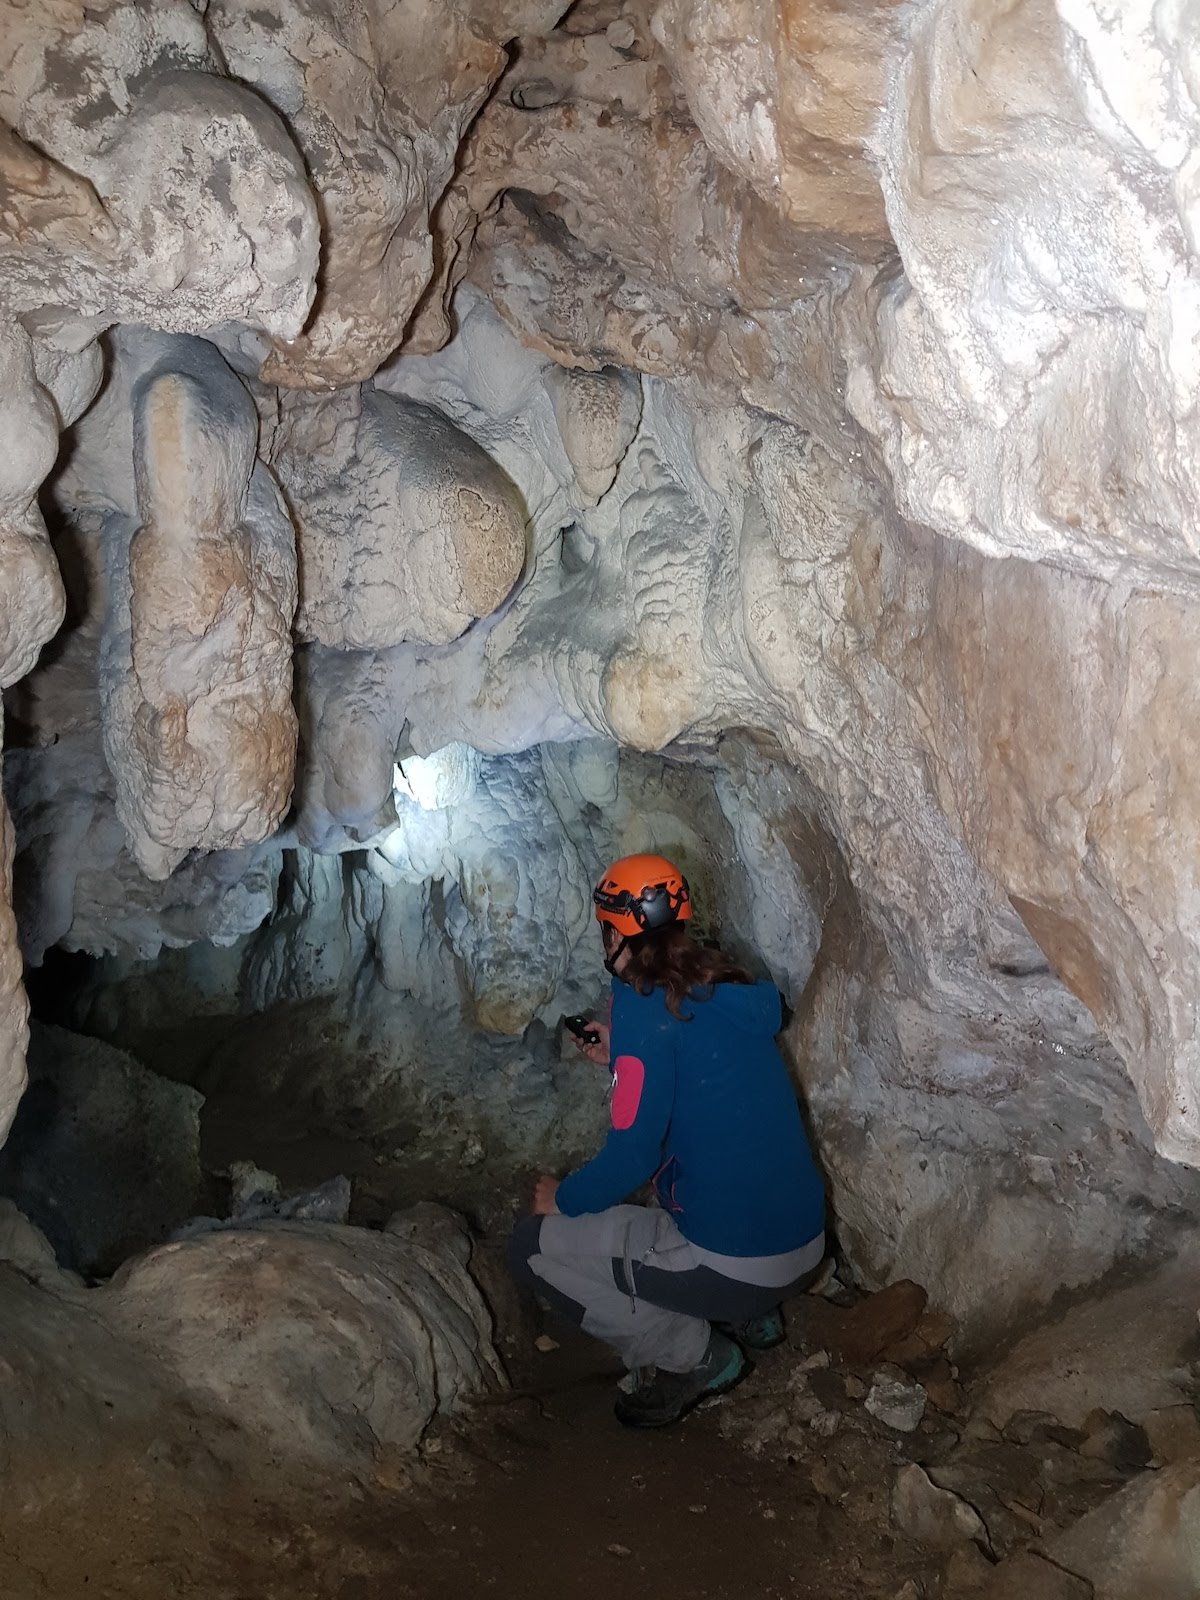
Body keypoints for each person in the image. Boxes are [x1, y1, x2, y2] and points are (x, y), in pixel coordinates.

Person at [509, 852, 826, 1428]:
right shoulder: (727, 985)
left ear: (615, 933)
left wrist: (562, 1199)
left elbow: (632, 1155)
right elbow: (694, 1072)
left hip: (742, 1268)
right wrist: (620, 1052)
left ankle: (697, 1355)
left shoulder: (641, 1007)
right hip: (804, 1246)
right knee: (710, 1159)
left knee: (530, 1247)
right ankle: (758, 1319)